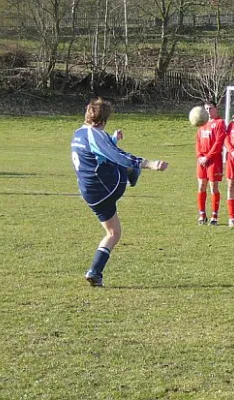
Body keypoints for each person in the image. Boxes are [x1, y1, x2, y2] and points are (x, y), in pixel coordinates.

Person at [71, 98, 168, 287]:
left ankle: (95, 272)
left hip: (89, 194)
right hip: (109, 186)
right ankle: (133, 173)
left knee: (113, 232)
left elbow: (100, 148)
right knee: (124, 163)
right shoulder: (95, 135)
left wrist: (113, 139)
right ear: (105, 120)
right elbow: (116, 155)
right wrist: (150, 164)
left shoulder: (78, 134)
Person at [196, 100, 226, 225]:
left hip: (213, 160)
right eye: (206, 109)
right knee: (201, 186)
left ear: (216, 109)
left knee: (213, 187)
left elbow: (218, 143)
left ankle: (214, 215)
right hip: (201, 160)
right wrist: (199, 156)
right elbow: (197, 141)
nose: (208, 111)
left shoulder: (220, 123)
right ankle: (202, 214)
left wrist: (207, 157)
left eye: (210, 108)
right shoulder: (202, 123)